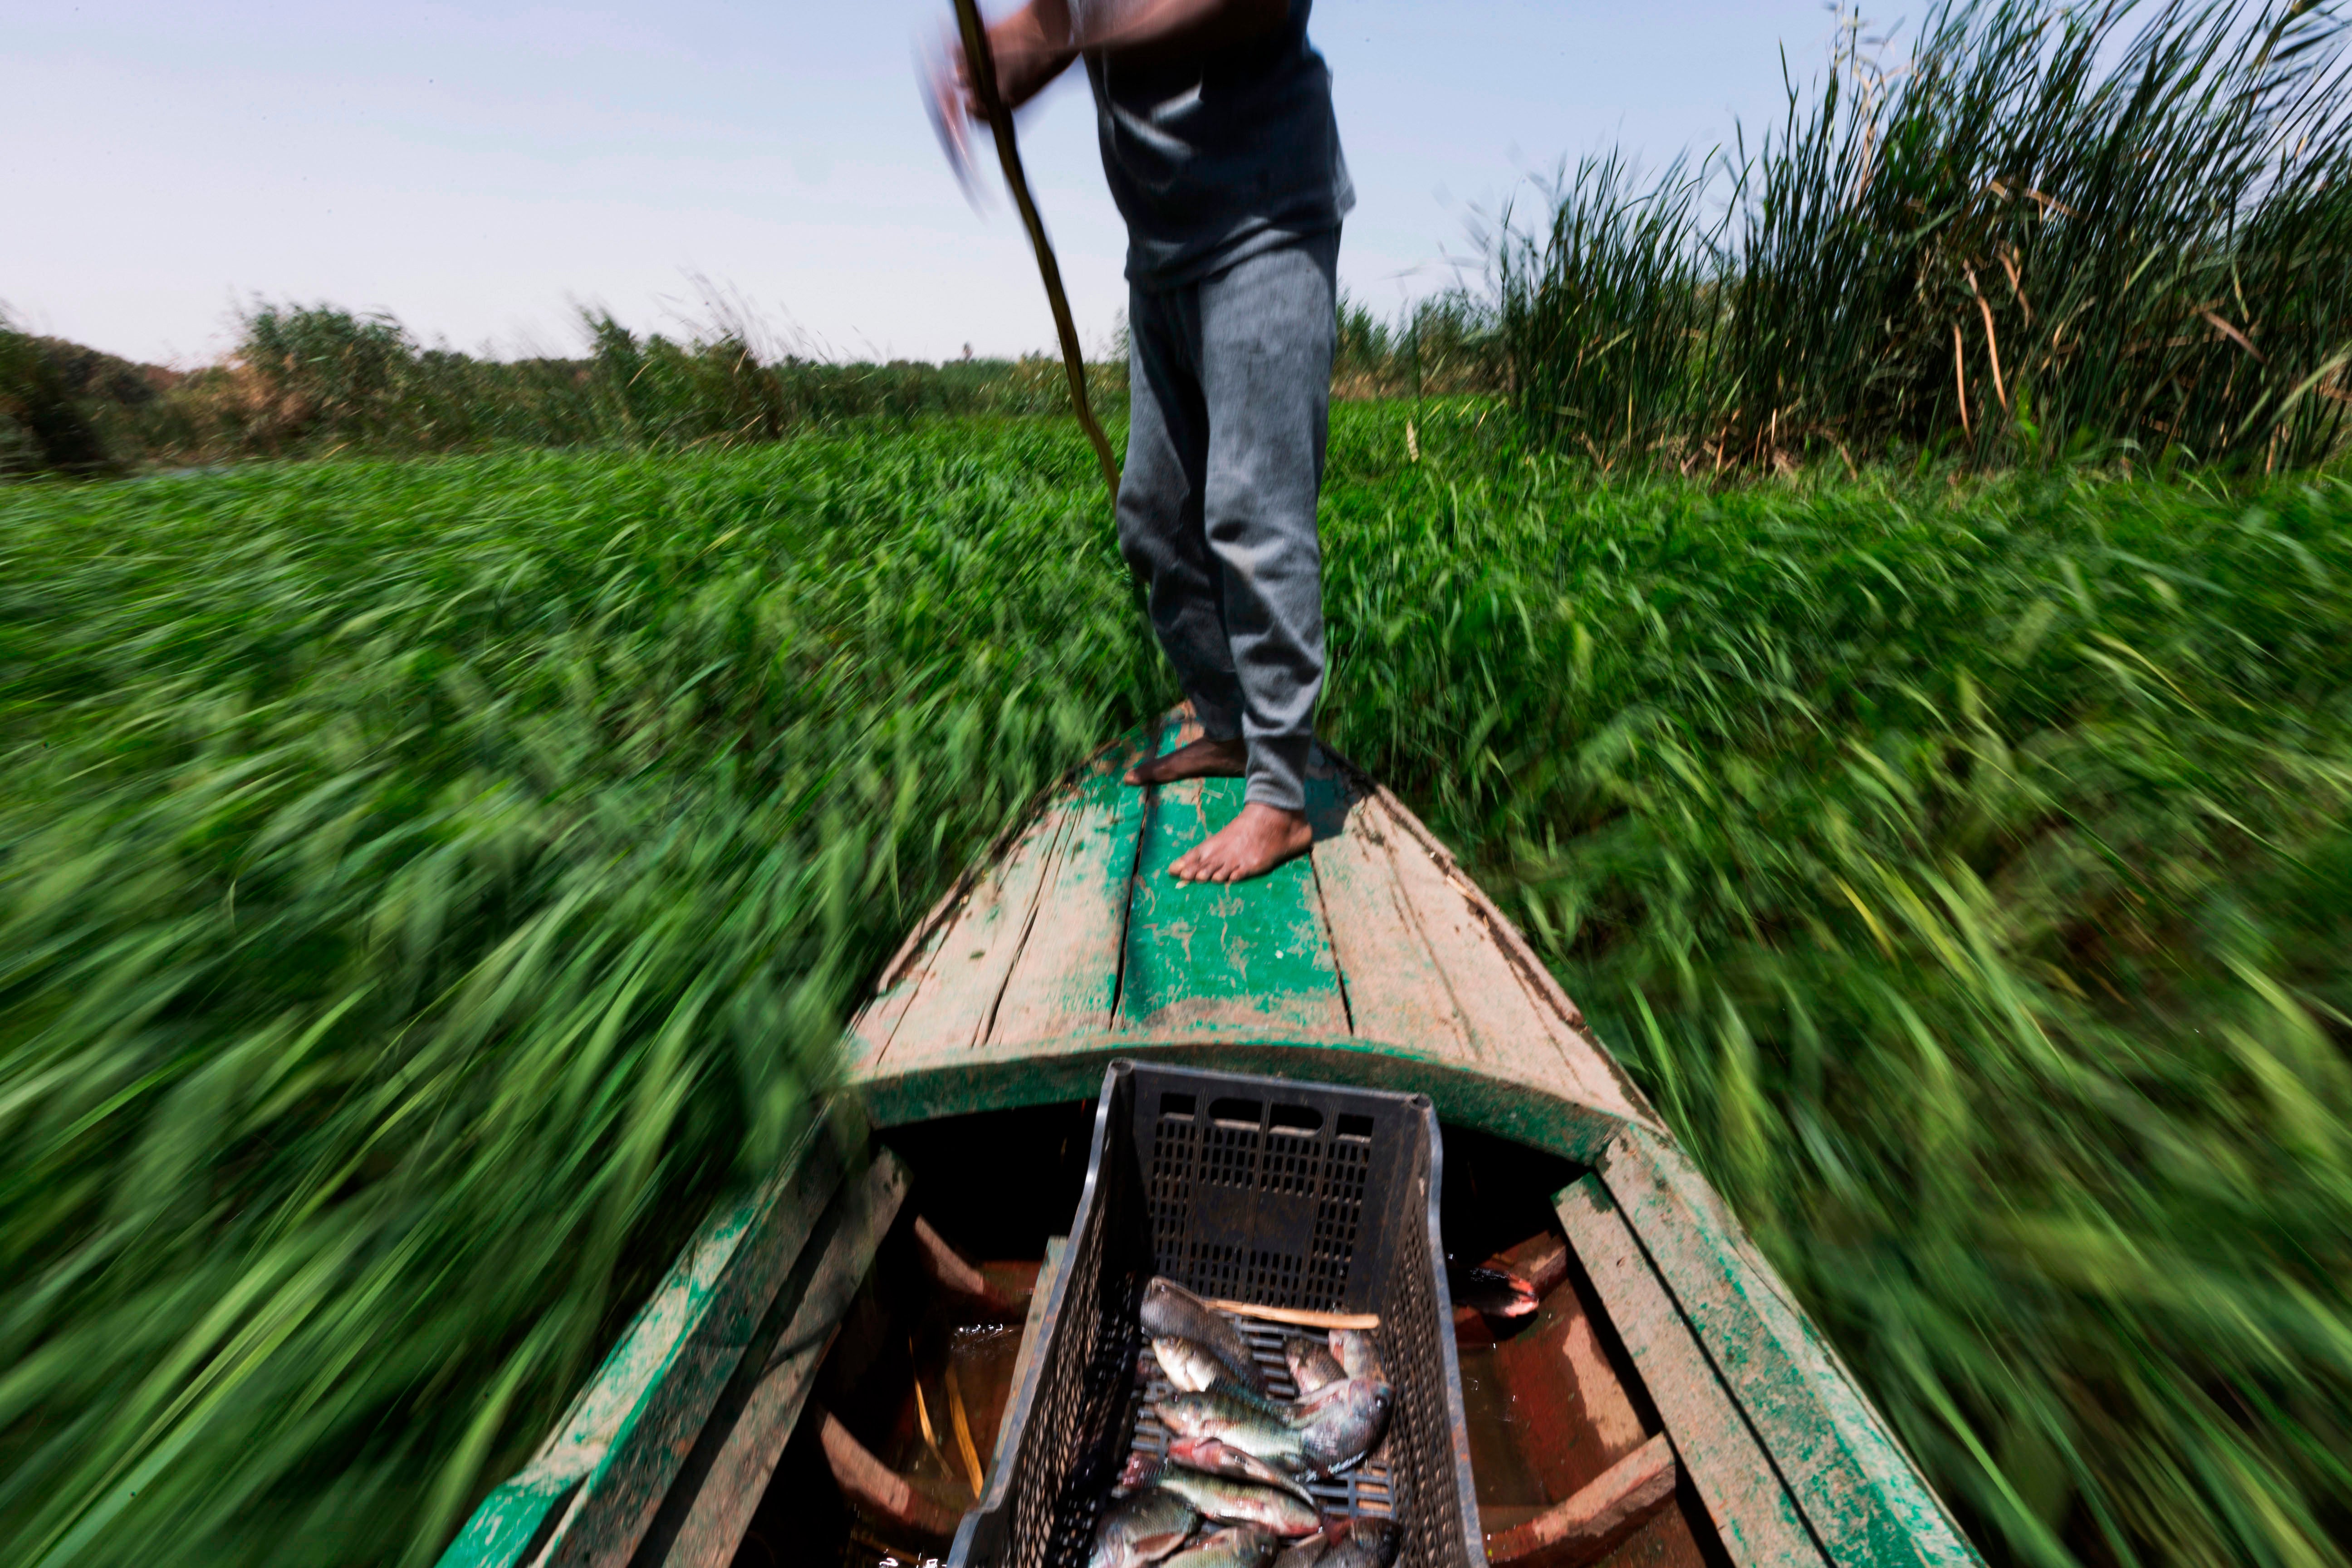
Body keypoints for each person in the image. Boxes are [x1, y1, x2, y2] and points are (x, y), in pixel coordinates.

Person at [944, 0, 1351, 883]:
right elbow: (1053, 19)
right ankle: (1232, 728)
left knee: (1255, 507)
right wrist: (998, 53)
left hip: (1267, 220)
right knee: (1157, 516)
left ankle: (1281, 799)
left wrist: (1059, 38)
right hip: (1162, 247)